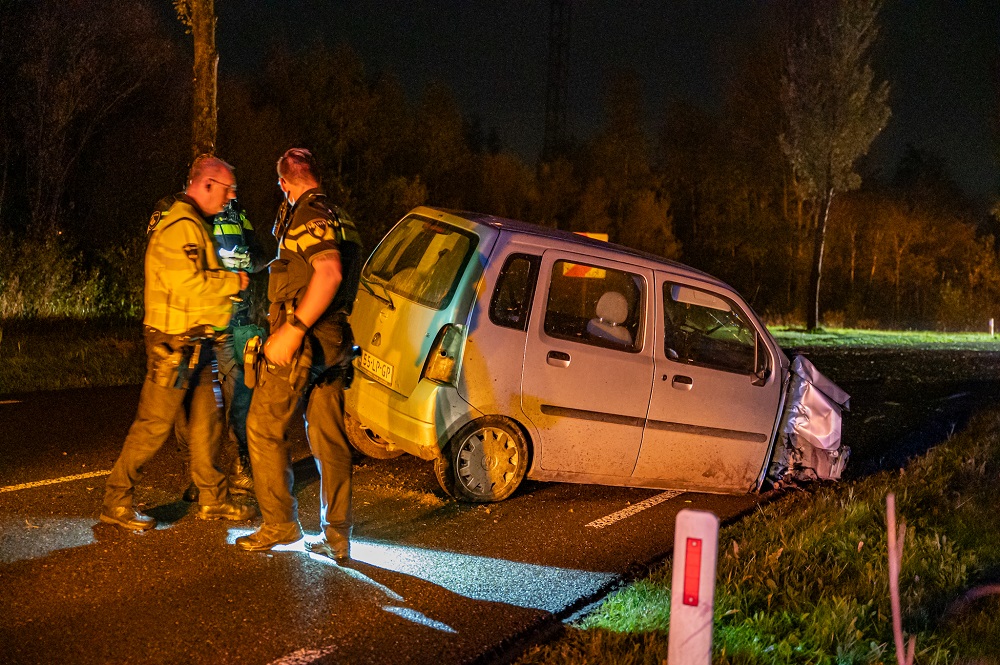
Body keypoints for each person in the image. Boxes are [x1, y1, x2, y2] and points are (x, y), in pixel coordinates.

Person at [100, 155, 257, 531]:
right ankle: (116, 500)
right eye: (226, 189)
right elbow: (187, 284)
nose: (230, 197)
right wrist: (231, 283)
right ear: (205, 185)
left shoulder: (196, 225)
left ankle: (213, 499)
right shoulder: (180, 227)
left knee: (207, 424)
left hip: (198, 342)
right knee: (153, 426)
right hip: (173, 345)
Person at [235, 148, 362, 561]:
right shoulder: (341, 217)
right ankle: (337, 536)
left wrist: (292, 329)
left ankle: (280, 523)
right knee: (328, 438)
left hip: (305, 339)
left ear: (284, 183)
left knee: (263, 425)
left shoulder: (308, 216)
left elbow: (328, 273)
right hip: (335, 339)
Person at [173, 197, 268, 502]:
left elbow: (262, 256)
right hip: (197, 325)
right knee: (193, 405)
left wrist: (246, 260)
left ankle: (241, 471)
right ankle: (198, 476)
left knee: (240, 398)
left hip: (233, 322)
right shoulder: (183, 216)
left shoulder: (238, 215)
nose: (229, 194)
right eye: (224, 187)